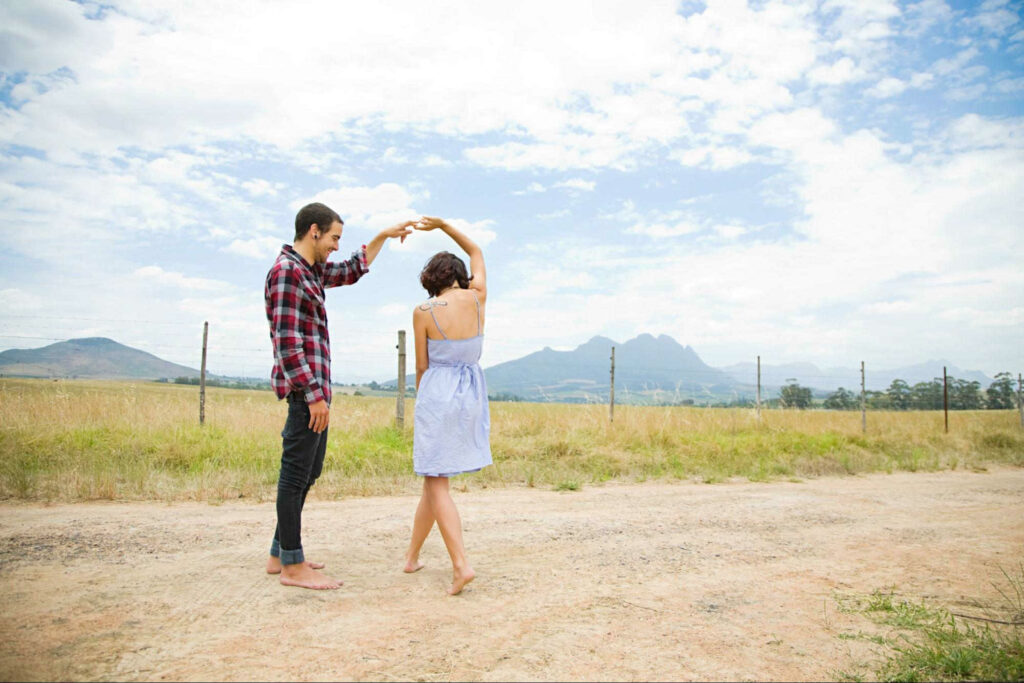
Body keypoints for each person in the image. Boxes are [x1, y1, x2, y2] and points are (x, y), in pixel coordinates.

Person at [265, 201, 413, 590]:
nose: (335, 246)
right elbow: (288, 343)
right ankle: (291, 567)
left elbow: (351, 270)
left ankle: (281, 553)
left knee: (308, 472)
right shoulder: (286, 272)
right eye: (333, 237)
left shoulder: (309, 271)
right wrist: (314, 395)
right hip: (306, 393)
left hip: (317, 392)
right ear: (313, 231)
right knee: (295, 475)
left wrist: (382, 236)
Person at [403, 216, 492, 595]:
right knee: (434, 480)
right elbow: (476, 249)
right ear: (459, 275)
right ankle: (411, 556)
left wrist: (424, 404)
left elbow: (421, 367)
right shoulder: (477, 297)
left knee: (436, 480)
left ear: (432, 279)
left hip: (438, 392)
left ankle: (461, 564)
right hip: (471, 391)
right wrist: (442, 226)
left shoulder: (424, 312)